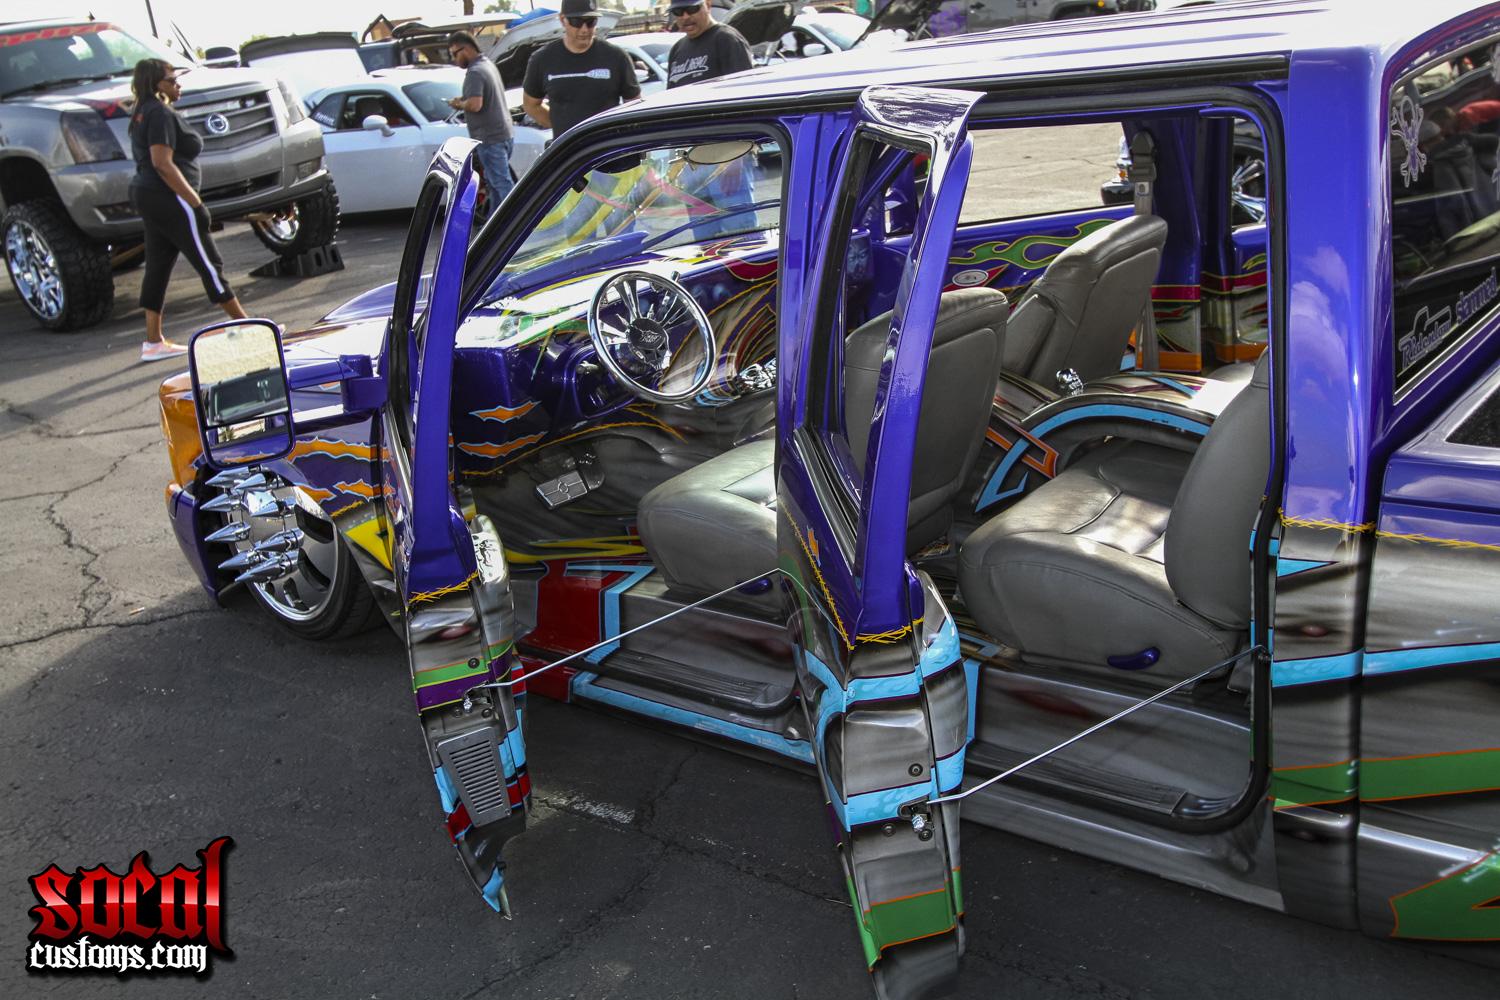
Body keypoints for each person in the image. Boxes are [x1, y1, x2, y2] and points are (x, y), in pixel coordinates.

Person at [127, 59, 248, 362]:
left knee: (157, 265)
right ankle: (248, 328)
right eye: (171, 80)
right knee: (208, 262)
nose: (177, 85)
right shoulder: (159, 113)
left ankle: (153, 342)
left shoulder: (141, 111)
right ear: (156, 84)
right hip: (169, 196)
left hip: (148, 195)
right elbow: (162, 163)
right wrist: (195, 202)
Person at [522, 0, 641, 139]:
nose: (584, 29)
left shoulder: (616, 57)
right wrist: (563, 128)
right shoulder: (542, 59)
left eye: (590, 22)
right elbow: (531, 105)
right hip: (570, 149)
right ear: (562, 19)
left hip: (608, 146)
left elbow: (634, 105)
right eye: (577, 22)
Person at [445, 30, 515, 210]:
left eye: (454, 54)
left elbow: (476, 105)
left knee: (502, 185)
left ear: (466, 49)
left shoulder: (475, 72)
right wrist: (464, 100)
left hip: (490, 138)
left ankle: (518, 220)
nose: (454, 59)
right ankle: (496, 223)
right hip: (504, 134)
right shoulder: (488, 64)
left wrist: (459, 104)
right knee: (495, 185)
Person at [665, 0, 753, 89]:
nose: (685, 17)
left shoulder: (726, 39)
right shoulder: (677, 48)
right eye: (678, 11)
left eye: (692, 9)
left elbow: (742, 87)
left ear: (707, 5)